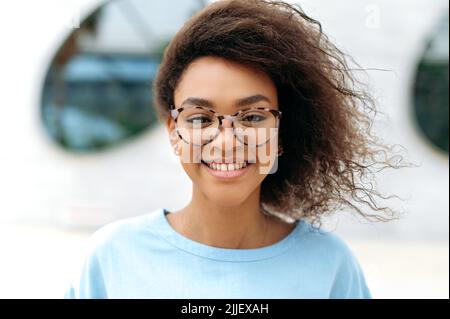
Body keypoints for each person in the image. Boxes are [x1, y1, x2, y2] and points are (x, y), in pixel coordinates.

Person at [65, 0, 405, 299]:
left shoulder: (330, 266)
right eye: (200, 118)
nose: (226, 141)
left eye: (253, 116)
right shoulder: (113, 257)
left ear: (280, 132)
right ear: (174, 132)